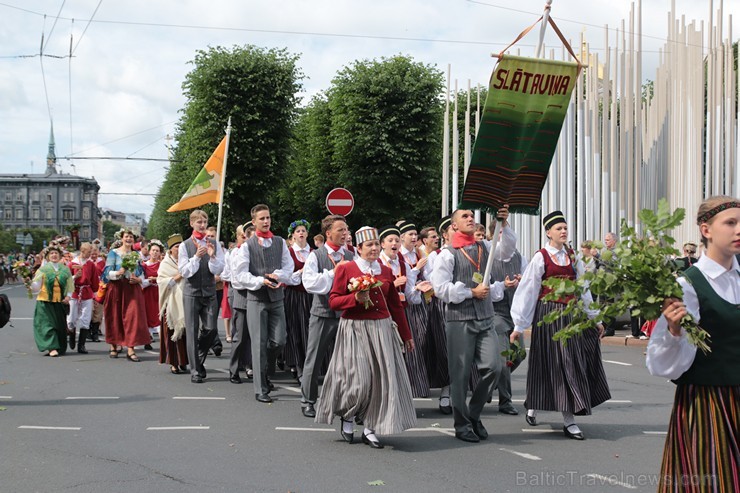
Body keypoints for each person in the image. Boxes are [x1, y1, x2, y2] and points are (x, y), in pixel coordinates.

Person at [647, 196, 739, 492]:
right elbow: (661, 364)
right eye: (731, 223)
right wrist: (674, 331)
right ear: (706, 229)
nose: (739, 230)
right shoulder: (688, 285)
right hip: (709, 407)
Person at [510, 211, 611, 440]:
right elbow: (528, 291)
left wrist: (595, 319)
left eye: (565, 228)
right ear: (548, 233)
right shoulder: (541, 257)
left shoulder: (573, 257)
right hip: (548, 316)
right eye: (558, 228)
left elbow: (583, 289)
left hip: (571, 316)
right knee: (546, 363)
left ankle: (569, 419)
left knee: (571, 364)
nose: (563, 231)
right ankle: (534, 405)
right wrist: (519, 325)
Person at [316, 226, 416, 449]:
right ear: (358, 248)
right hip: (354, 328)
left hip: (381, 329)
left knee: (380, 381)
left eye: (375, 244)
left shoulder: (385, 271)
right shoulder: (347, 269)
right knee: (358, 379)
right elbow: (333, 301)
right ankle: (349, 417)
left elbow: (395, 307)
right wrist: (355, 298)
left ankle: (370, 428)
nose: (373, 248)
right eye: (368, 245)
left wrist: (406, 334)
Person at [431, 206, 513, 443]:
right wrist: (470, 292)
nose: (470, 219)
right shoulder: (446, 254)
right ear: (454, 225)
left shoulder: (484, 247)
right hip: (460, 320)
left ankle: (473, 414)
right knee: (460, 374)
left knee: (495, 367)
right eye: (464, 217)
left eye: (471, 216)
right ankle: (462, 424)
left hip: (486, 318)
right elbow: (441, 289)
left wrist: (503, 224)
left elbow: (506, 251)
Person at [233, 204, 294, 402]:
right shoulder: (247, 246)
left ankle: (264, 370)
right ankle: (260, 388)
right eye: (262, 219)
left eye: (268, 217)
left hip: (276, 298)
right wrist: (260, 280)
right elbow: (241, 274)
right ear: (254, 222)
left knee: (280, 340)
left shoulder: (279, 242)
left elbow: (289, 266)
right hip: (257, 299)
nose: (266, 221)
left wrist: (279, 275)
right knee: (258, 343)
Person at [299, 215, 354, 418]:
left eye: (346, 230)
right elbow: (310, 283)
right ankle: (308, 400)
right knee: (314, 359)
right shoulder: (317, 255)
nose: (345, 233)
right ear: (328, 233)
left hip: (346, 314)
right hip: (322, 314)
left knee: (348, 360)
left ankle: (346, 402)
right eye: (340, 230)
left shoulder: (351, 255)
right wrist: (333, 273)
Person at [178, 210, 225, 383]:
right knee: (191, 330)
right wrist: (196, 257)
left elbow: (219, 269)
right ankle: (196, 370)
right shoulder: (185, 245)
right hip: (191, 292)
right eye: (199, 222)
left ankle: (197, 355)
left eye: (204, 221)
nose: (202, 225)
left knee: (211, 329)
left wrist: (212, 256)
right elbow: (184, 272)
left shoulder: (214, 243)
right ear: (192, 224)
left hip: (209, 291)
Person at [488, 220, 527, 415]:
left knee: (520, 354)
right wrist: (502, 286)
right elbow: (485, 288)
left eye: (506, 230)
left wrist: (521, 283)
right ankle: (505, 401)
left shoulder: (520, 257)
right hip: (497, 313)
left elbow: (529, 286)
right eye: (500, 233)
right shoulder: (488, 257)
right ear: (493, 236)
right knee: (504, 360)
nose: (505, 236)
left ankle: (489, 384)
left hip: (515, 314)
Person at [396, 221, 435, 398]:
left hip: (420, 301)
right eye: (409, 234)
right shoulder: (399, 256)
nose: (413, 237)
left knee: (421, 342)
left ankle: (418, 384)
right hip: (404, 304)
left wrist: (425, 282)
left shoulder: (419, 253)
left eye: (415, 234)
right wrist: (416, 270)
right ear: (401, 237)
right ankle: (407, 385)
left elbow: (427, 275)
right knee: (411, 343)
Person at [103, 229, 150, 362]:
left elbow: (141, 270)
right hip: (117, 287)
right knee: (114, 315)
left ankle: (131, 348)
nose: (129, 239)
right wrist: (118, 272)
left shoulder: (136, 254)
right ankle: (114, 345)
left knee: (133, 317)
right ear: (121, 238)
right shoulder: (114, 253)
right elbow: (106, 272)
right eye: (126, 237)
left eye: (131, 237)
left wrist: (137, 278)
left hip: (131, 287)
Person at [425, 216, 453, 414]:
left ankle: (455, 392)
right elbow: (432, 282)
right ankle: (446, 393)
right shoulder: (436, 256)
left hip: (465, 305)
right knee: (445, 351)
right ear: (446, 234)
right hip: (442, 306)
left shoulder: (468, 251)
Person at [31, 245, 74, 357]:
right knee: (47, 325)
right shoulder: (42, 269)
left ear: (60, 255)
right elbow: (36, 286)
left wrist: (68, 297)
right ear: (47, 256)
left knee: (59, 326)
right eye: (51, 253)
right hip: (45, 302)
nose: (54, 255)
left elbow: (70, 285)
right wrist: (28, 283)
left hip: (59, 302)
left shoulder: (65, 269)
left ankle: (58, 346)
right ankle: (51, 348)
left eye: (56, 253)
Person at [223, 223, 252, 384]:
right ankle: (234, 368)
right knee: (240, 335)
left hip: (257, 296)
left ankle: (250, 365)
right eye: (243, 235)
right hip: (241, 295)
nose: (246, 238)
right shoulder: (235, 253)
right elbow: (234, 277)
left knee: (255, 336)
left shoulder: (255, 250)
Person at [284, 219, 313, 381]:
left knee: (309, 331)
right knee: (294, 329)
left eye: (303, 230)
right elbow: (287, 277)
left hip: (310, 295)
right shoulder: (289, 252)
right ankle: (297, 364)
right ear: (293, 235)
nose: (301, 233)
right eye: (298, 231)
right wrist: (301, 272)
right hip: (293, 295)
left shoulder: (314, 252)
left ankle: (308, 366)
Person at [158, 234, 189, 374]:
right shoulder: (165, 264)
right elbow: (163, 282)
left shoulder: (186, 261)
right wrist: (178, 276)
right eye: (177, 247)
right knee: (171, 332)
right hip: (170, 303)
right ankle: (174, 363)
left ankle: (184, 361)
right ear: (170, 249)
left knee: (186, 334)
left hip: (186, 300)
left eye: (181, 246)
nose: (179, 249)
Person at [66, 242, 99, 354]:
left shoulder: (90, 265)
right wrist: (75, 276)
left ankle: (82, 345)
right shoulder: (72, 264)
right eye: (88, 252)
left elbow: (95, 281)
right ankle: (71, 335)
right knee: (71, 318)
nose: (89, 255)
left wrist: (95, 296)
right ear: (82, 251)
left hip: (86, 292)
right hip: (75, 292)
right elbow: (66, 279)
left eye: (91, 252)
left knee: (85, 318)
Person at [141, 239, 165, 350]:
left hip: (158, 292)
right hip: (147, 293)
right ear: (149, 251)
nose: (155, 252)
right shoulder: (143, 265)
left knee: (159, 315)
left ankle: (163, 342)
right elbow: (141, 280)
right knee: (147, 315)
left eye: (157, 251)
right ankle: (147, 339)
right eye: (153, 250)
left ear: (160, 253)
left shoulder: (162, 265)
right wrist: (148, 281)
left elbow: (165, 278)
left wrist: (156, 279)